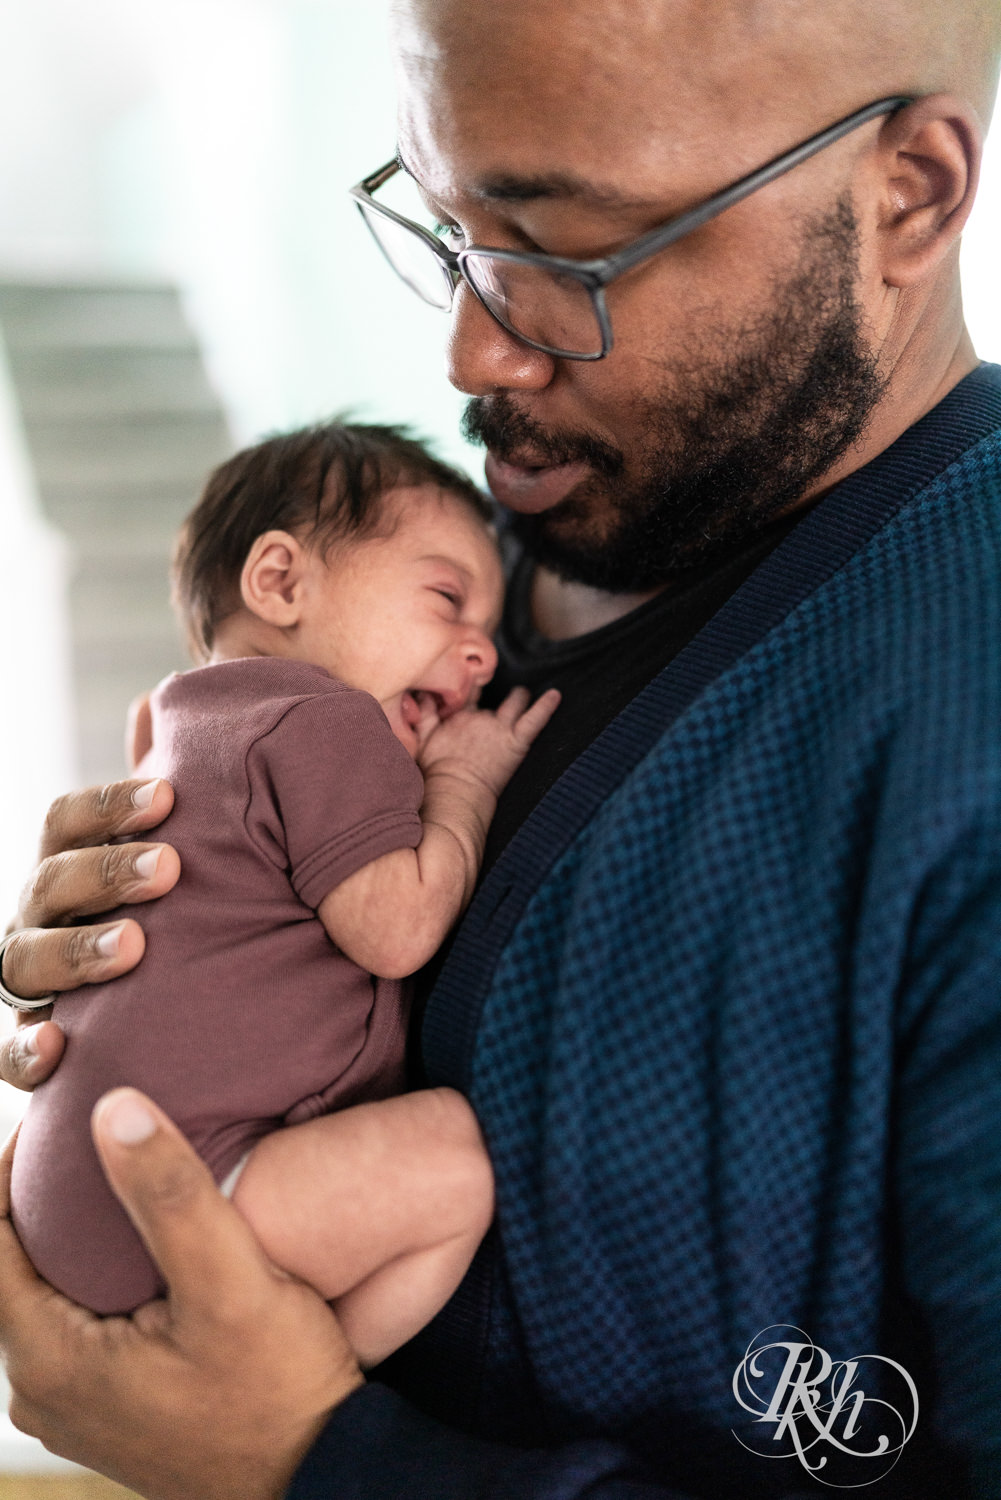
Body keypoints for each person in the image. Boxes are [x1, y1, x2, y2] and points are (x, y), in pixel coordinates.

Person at [1, 0, 1000, 1494]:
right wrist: (152, 929)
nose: (472, 347)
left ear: (907, 192)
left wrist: (312, 1461)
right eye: (449, 220)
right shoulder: (438, 586)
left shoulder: (958, 718)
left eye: (564, 255)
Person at [9, 418, 559, 1358]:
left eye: (486, 630)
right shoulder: (319, 717)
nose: (480, 656)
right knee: (452, 1165)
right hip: (188, 1191)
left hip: (73, 1196)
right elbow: (394, 930)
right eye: (445, 598)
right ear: (280, 581)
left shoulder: (188, 727)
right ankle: (302, 1388)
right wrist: (463, 787)